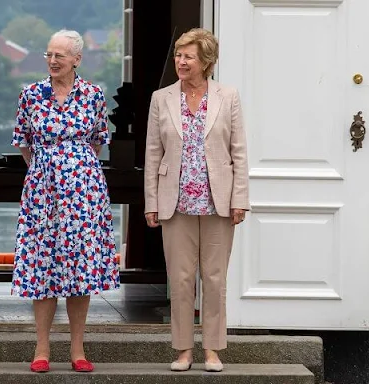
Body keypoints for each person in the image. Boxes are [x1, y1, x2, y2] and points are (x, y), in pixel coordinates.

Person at [10, 29, 120, 373]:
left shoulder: (93, 95)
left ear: (77, 59)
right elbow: (24, 143)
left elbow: (98, 141)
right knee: (42, 263)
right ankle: (41, 347)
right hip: (42, 188)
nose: (53, 61)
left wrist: (73, 167)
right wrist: (49, 168)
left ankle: (77, 348)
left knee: (80, 265)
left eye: (60, 56)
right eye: (48, 55)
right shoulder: (30, 94)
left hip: (84, 191)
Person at [144, 28, 249, 373]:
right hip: (175, 202)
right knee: (181, 278)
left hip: (217, 200)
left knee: (215, 279)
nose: (181, 62)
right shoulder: (161, 98)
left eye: (188, 56)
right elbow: (153, 154)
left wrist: (240, 199)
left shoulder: (227, 96)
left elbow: (239, 151)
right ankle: (184, 350)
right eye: (178, 55)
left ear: (206, 61)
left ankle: (213, 351)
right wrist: (151, 203)